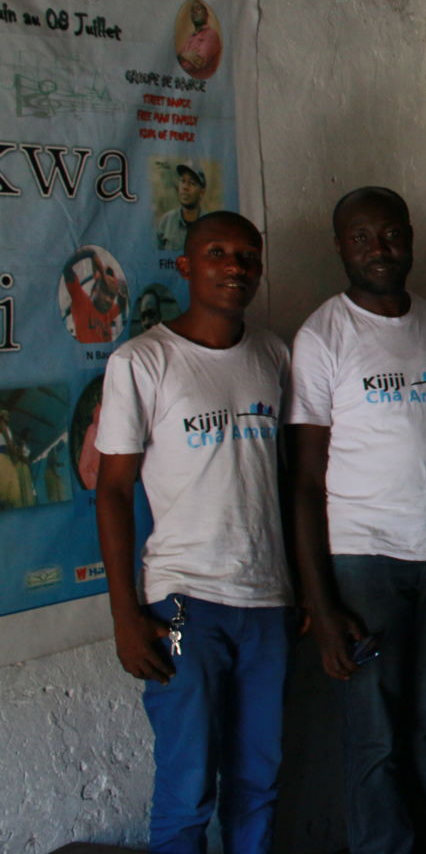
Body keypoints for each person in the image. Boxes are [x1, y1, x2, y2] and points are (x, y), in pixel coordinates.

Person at [92, 211, 294, 854]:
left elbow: (287, 481)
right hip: (183, 602)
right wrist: (125, 614)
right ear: (185, 266)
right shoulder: (142, 361)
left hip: (266, 600)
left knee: (258, 779)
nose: (235, 267)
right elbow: (113, 490)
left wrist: (304, 592)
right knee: (188, 784)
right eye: (217, 253)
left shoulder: (273, 354)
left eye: (247, 256)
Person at [287, 187, 426, 854]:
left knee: (424, 724)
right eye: (361, 238)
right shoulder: (323, 336)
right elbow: (305, 480)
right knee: (374, 734)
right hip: (364, 561)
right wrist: (321, 604)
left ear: (410, 236)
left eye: (390, 234)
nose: (379, 249)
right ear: (341, 246)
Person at [61, 247, 126, 343]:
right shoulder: (81, 303)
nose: (108, 299)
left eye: (112, 296)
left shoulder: (108, 312)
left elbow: (121, 307)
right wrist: (90, 253)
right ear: (95, 289)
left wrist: (122, 295)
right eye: (105, 291)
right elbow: (66, 268)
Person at [157, 163, 208, 251]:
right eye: (183, 181)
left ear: (202, 192)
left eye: (192, 183)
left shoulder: (210, 225)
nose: (185, 187)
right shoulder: (166, 222)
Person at [176, 0, 222, 79]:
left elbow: (198, 63)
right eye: (192, 11)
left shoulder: (211, 35)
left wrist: (182, 57)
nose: (195, 12)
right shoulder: (191, 36)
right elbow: (179, 55)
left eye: (198, 9)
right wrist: (184, 56)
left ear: (206, 14)